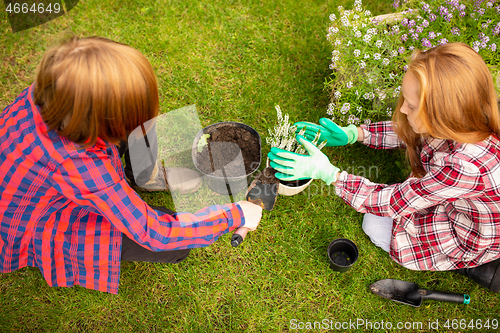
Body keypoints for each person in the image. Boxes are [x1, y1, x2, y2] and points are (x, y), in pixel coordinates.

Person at [0, 36, 262, 294]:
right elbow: (155, 233)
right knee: (178, 246)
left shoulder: (57, 88)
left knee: (139, 127)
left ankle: (143, 177)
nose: (152, 117)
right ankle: (138, 175)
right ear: (101, 122)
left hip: (43, 181)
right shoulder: (81, 165)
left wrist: (138, 121)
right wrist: (235, 215)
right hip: (40, 220)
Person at [268, 43, 500, 293]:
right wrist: (353, 134)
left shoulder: (464, 167)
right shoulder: (465, 119)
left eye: (411, 107)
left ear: (443, 114)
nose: (402, 109)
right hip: (452, 197)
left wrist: (330, 174)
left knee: (374, 225)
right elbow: (409, 132)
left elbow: (391, 203)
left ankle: (472, 263)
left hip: (469, 229)